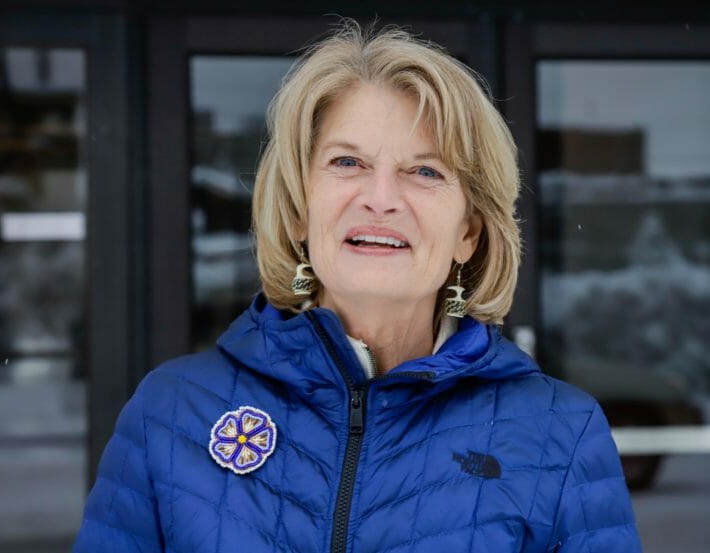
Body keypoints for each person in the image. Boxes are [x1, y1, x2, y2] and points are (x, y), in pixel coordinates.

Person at [73, 21, 641, 552]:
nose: (382, 198)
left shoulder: (558, 434)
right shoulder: (172, 411)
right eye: (347, 162)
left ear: (468, 232)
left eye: (425, 172)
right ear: (299, 210)